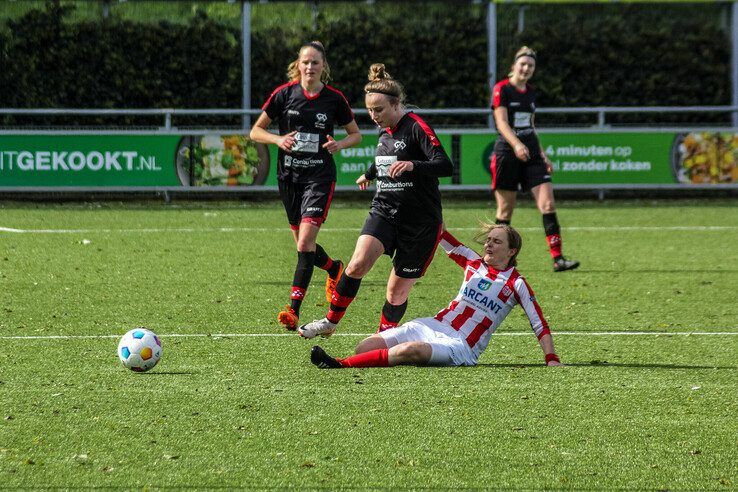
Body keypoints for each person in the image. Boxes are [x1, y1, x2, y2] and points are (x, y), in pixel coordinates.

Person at [297, 63, 454, 339]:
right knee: (357, 264)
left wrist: (412, 166)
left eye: (379, 110)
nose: (373, 116)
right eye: (369, 110)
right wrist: (369, 173)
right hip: (384, 210)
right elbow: (387, 157)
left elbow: (445, 164)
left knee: (395, 292)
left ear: (396, 104)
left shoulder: (417, 127)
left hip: (420, 222)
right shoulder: (384, 129)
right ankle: (330, 322)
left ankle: (384, 339)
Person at [309, 224, 563, 368]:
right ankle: (384, 357)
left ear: (511, 251)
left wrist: (551, 358)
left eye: (496, 242)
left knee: (411, 350)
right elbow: (441, 234)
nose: (488, 244)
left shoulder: (516, 283)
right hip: (432, 324)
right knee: (365, 346)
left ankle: (340, 364)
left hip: (460, 345)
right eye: (488, 240)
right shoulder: (473, 263)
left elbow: (538, 323)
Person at [250, 41, 362, 330]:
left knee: (304, 243)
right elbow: (255, 131)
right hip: (289, 178)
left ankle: (293, 309)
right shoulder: (284, 94)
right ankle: (334, 268)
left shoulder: (334, 99)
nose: (310, 67)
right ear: (297, 65)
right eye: (305, 62)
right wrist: (278, 139)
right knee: (305, 247)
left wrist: (339, 144)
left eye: (315, 62)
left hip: (319, 178)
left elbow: (355, 135)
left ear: (324, 67)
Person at [490, 46, 579, 272]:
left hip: (531, 153)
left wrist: (541, 153)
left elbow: (531, 125)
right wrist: (516, 144)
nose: (527, 68)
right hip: (508, 152)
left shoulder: (530, 92)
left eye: (531, 65)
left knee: (548, 203)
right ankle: (494, 261)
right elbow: (501, 123)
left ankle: (558, 259)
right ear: (514, 66)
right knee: (505, 212)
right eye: (523, 64)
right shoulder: (502, 89)